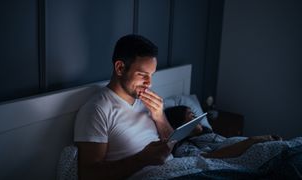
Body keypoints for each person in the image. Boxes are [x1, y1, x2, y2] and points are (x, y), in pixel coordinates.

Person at [74, 34, 176, 179]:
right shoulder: (97, 110)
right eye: (142, 75)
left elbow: (171, 144)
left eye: (151, 75)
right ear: (120, 68)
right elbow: (88, 174)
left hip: (175, 169)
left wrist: (160, 117)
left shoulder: (146, 99)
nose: (149, 83)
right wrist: (142, 159)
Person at [164, 105, 282, 158]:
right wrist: (253, 140)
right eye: (191, 115)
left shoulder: (205, 134)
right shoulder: (184, 147)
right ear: (180, 123)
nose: (196, 118)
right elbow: (209, 157)